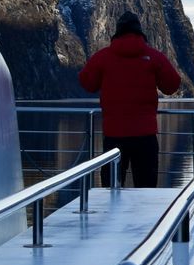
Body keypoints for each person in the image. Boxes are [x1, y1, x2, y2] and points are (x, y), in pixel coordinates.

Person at [78, 11, 182, 187]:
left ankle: (113, 215)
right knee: (146, 188)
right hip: (145, 135)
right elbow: (172, 85)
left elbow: (87, 83)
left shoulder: (103, 57)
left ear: (117, 32)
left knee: (111, 189)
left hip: (114, 135)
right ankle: (145, 215)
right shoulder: (154, 57)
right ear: (140, 32)